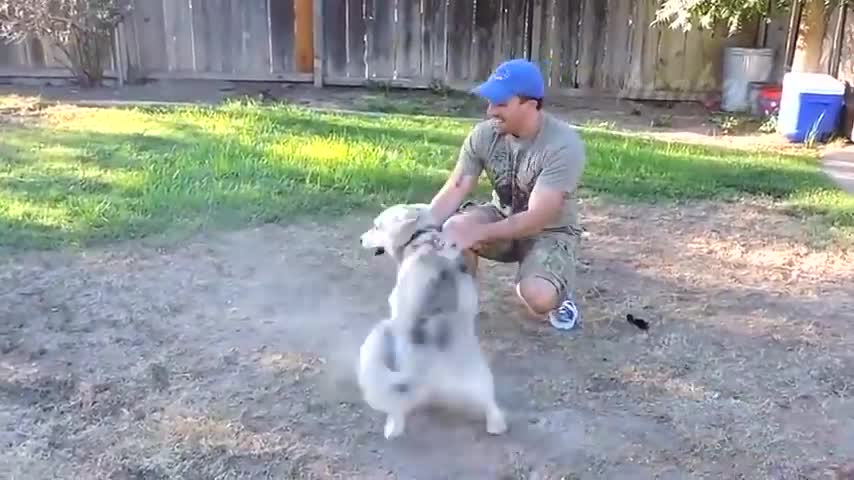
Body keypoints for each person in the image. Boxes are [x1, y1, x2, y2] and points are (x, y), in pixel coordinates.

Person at [428, 58, 587, 330]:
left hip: (549, 232)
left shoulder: (563, 145)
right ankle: (461, 306)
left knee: (537, 296)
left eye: (501, 104)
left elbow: (537, 218)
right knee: (454, 227)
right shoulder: (485, 136)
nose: (490, 111)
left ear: (531, 104)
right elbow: (457, 186)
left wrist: (477, 234)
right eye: (490, 102)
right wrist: (422, 226)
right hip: (501, 214)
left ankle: (558, 293)